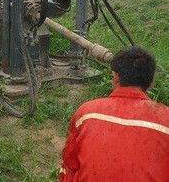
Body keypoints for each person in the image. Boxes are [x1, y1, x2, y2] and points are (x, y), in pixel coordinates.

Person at [59, 46, 169, 182]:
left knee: (68, 168)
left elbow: (70, 160)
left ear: (115, 77)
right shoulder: (165, 119)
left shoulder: (87, 112)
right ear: (152, 83)